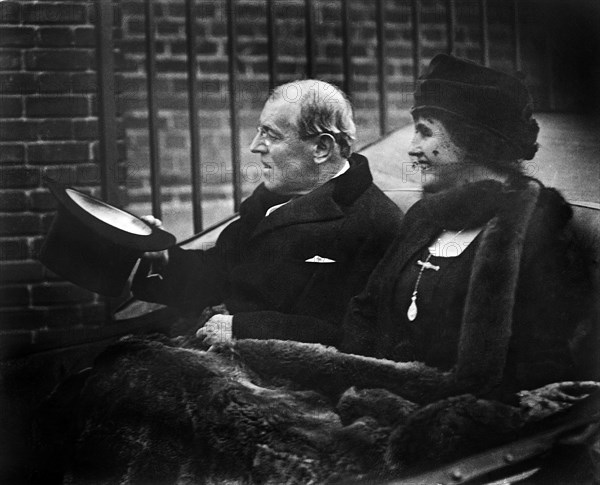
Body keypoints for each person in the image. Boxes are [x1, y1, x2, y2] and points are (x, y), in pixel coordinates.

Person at [341, 54, 596, 399]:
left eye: (425, 132)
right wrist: (365, 388)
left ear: (473, 140)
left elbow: (547, 363)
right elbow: (365, 309)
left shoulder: (540, 227)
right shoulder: (424, 217)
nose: (413, 149)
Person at [132, 80, 403, 346]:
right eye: (260, 131)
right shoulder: (271, 200)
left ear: (321, 148)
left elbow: (353, 334)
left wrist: (242, 328)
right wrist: (162, 257)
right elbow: (217, 273)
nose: (255, 146)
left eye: (271, 135)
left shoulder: (375, 223)